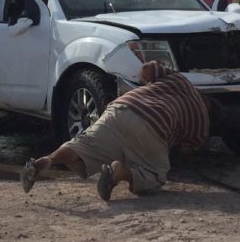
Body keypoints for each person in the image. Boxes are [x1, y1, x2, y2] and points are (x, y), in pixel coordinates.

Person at [20, 61, 218, 201]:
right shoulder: (203, 126)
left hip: (121, 108)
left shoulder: (179, 79)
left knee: (83, 146)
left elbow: (146, 69)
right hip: (154, 127)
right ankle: (119, 173)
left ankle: (47, 160)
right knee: (156, 175)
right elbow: (186, 151)